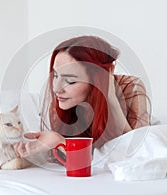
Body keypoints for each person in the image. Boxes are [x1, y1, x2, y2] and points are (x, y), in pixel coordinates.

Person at [14, 35, 151, 158]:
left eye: (70, 81)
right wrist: (59, 141)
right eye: (55, 75)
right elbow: (86, 160)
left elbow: (139, 153)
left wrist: (110, 98)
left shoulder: (131, 88)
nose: (56, 89)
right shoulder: (59, 99)